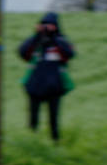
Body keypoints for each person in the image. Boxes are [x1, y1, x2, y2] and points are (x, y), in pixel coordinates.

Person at [18, 11, 76, 142]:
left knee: (54, 119)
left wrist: (53, 37)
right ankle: (31, 141)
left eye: (49, 25)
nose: (46, 27)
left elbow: (70, 54)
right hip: (35, 86)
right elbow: (22, 52)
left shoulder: (61, 40)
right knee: (33, 118)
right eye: (43, 24)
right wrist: (37, 35)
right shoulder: (36, 41)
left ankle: (55, 141)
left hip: (54, 86)